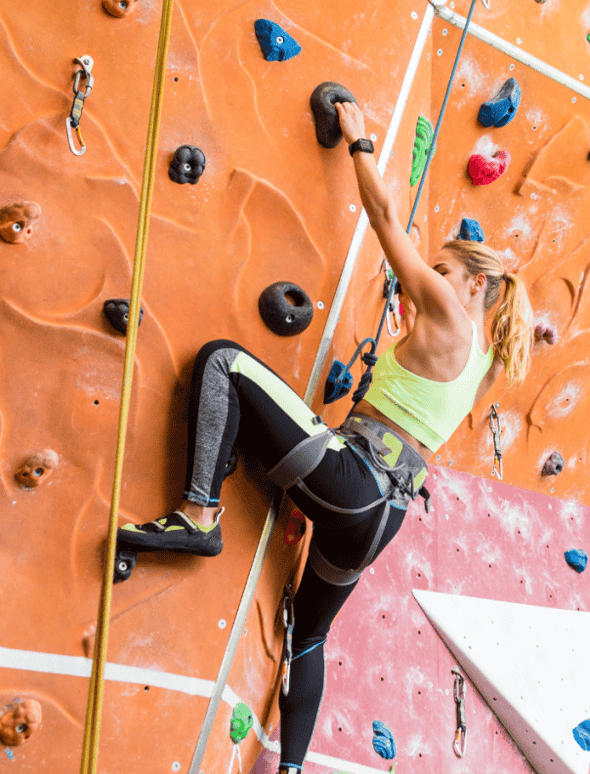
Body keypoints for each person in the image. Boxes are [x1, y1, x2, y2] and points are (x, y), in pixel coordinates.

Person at [117, 99, 534, 774]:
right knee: (308, 636)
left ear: (475, 284)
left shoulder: (451, 314)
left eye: (447, 271)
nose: (435, 277)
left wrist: (360, 142)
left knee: (223, 360)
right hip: (381, 519)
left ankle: (198, 513)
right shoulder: (486, 363)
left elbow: (384, 219)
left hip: (355, 481)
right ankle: (289, 769)